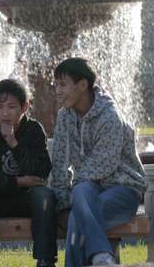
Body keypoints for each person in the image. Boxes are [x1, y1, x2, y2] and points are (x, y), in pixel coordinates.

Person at [50, 58, 147, 267]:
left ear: (83, 85)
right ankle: (102, 258)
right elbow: (59, 161)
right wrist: (62, 201)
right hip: (89, 190)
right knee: (81, 196)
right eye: (55, 84)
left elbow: (104, 164)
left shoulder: (109, 116)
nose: (57, 91)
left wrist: (74, 199)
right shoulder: (65, 116)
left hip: (123, 189)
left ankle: (99, 255)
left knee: (79, 216)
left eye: (63, 84)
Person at [0, 78, 57, 267]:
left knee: (45, 196)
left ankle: (45, 260)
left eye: (11, 107)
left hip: (24, 199)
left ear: (24, 107)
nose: (5, 114)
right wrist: (17, 181)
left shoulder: (33, 129)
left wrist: (14, 143)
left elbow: (41, 172)